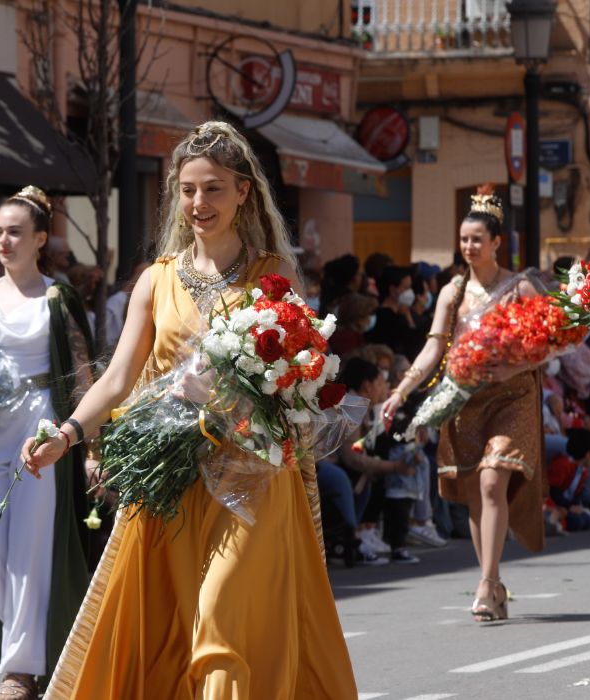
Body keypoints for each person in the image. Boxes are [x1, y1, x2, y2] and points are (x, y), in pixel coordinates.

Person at [23, 121, 357, 699]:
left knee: (220, 619)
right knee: (179, 630)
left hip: (252, 477)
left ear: (243, 193)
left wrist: (257, 388)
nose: (199, 203)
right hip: (174, 479)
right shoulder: (155, 281)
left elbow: (299, 370)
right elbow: (120, 377)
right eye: (188, 190)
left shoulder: (271, 274)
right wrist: (70, 433)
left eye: (214, 189)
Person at [382, 187, 545, 623]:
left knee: (493, 481)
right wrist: (401, 391)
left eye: (477, 239)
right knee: (475, 493)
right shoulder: (453, 292)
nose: (469, 247)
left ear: (496, 242)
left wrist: (514, 369)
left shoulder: (521, 286)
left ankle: (486, 585)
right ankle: (492, 581)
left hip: (513, 397)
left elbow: (552, 344)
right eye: (464, 239)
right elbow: (433, 349)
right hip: (466, 400)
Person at [0, 186, 96, 700]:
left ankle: (20, 670)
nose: (4, 240)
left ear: (40, 239)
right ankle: (28, 641)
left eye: (15, 231)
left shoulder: (59, 298)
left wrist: (91, 447)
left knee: (30, 550)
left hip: (42, 430)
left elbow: (83, 372)